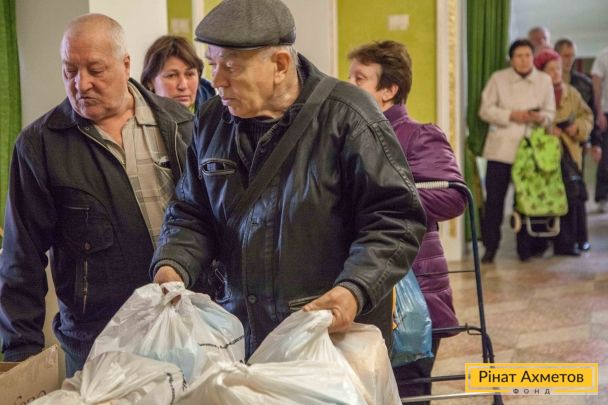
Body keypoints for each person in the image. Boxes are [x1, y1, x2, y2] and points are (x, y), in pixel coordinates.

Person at [151, 0, 427, 358]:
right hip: (239, 335)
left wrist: (354, 289)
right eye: (213, 64)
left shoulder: (349, 117)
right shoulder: (211, 120)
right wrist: (172, 265)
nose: (216, 81)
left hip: (325, 340)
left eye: (231, 67)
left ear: (280, 64)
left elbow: (395, 220)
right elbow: (191, 211)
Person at [0, 14, 193, 376]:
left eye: (95, 70)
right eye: (69, 70)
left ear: (126, 64)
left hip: (187, 329)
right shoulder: (39, 145)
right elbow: (20, 260)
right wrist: (21, 358)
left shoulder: (180, 123)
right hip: (99, 345)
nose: (81, 83)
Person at [348, 40, 466, 403]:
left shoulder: (418, 135)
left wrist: (382, 197)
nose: (348, 84)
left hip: (413, 292)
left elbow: (453, 196)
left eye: (360, 78)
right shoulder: (350, 134)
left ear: (389, 90)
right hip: (364, 285)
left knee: (410, 393)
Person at [479, 39, 555, 263]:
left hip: (531, 151)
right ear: (511, 59)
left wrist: (540, 117)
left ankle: (526, 248)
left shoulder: (544, 80)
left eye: (528, 55)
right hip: (501, 149)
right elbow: (485, 110)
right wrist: (511, 115)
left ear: (533, 58)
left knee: (526, 200)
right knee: (495, 201)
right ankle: (490, 247)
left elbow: (551, 113)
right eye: (519, 56)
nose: (523, 60)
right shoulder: (498, 78)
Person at [534, 49, 593, 256]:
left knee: (574, 195)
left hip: (570, 153)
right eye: (550, 69)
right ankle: (543, 243)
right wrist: (549, 130)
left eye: (558, 68)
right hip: (545, 155)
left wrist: (576, 128)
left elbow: (587, 116)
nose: (556, 73)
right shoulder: (536, 94)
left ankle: (573, 241)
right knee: (548, 197)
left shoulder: (572, 93)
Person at [555, 38, 598, 251]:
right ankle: (561, 241)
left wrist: (588, 137)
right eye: (565, 55)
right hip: (552, 146)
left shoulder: (583, 83)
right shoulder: (546, 83)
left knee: (577, 191)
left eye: (572, 55)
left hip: (575, 144)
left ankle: (580, 238)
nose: (569, 60)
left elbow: (591, 114)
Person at [141, 35, 215, 114]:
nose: (183, 86)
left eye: (190, 74)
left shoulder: (218, 111)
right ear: (149, 82)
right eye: (171, 75)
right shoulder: (138, 116)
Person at [591, 46, 608, 212]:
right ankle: (603, 196)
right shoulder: (604, 55)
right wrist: (599, 112)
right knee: (605, 158)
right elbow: (596, 85)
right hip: (606, 112)